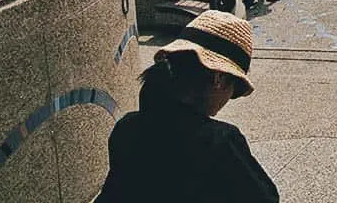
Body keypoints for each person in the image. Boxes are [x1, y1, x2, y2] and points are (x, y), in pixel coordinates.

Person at [94, 10, 278, 202]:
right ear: (219, 79)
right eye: (233, 89)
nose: (228, 99)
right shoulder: (219, 142)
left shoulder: (126, 128)